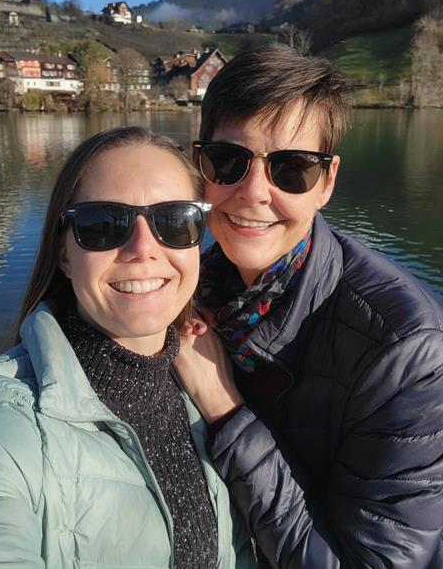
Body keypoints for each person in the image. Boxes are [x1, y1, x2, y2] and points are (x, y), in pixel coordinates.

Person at [0, 126, 257, 569]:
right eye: (102, 225)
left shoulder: (213, 382)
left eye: (174, 220)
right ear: (64, 254)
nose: (143, 249)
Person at [174, 47, 443, 568]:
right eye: (228, 160)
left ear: (328, 181)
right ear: (200, 165)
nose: (254, 193)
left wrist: (224, 408)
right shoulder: (188, 285)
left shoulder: (406, 351)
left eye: (291, 168)